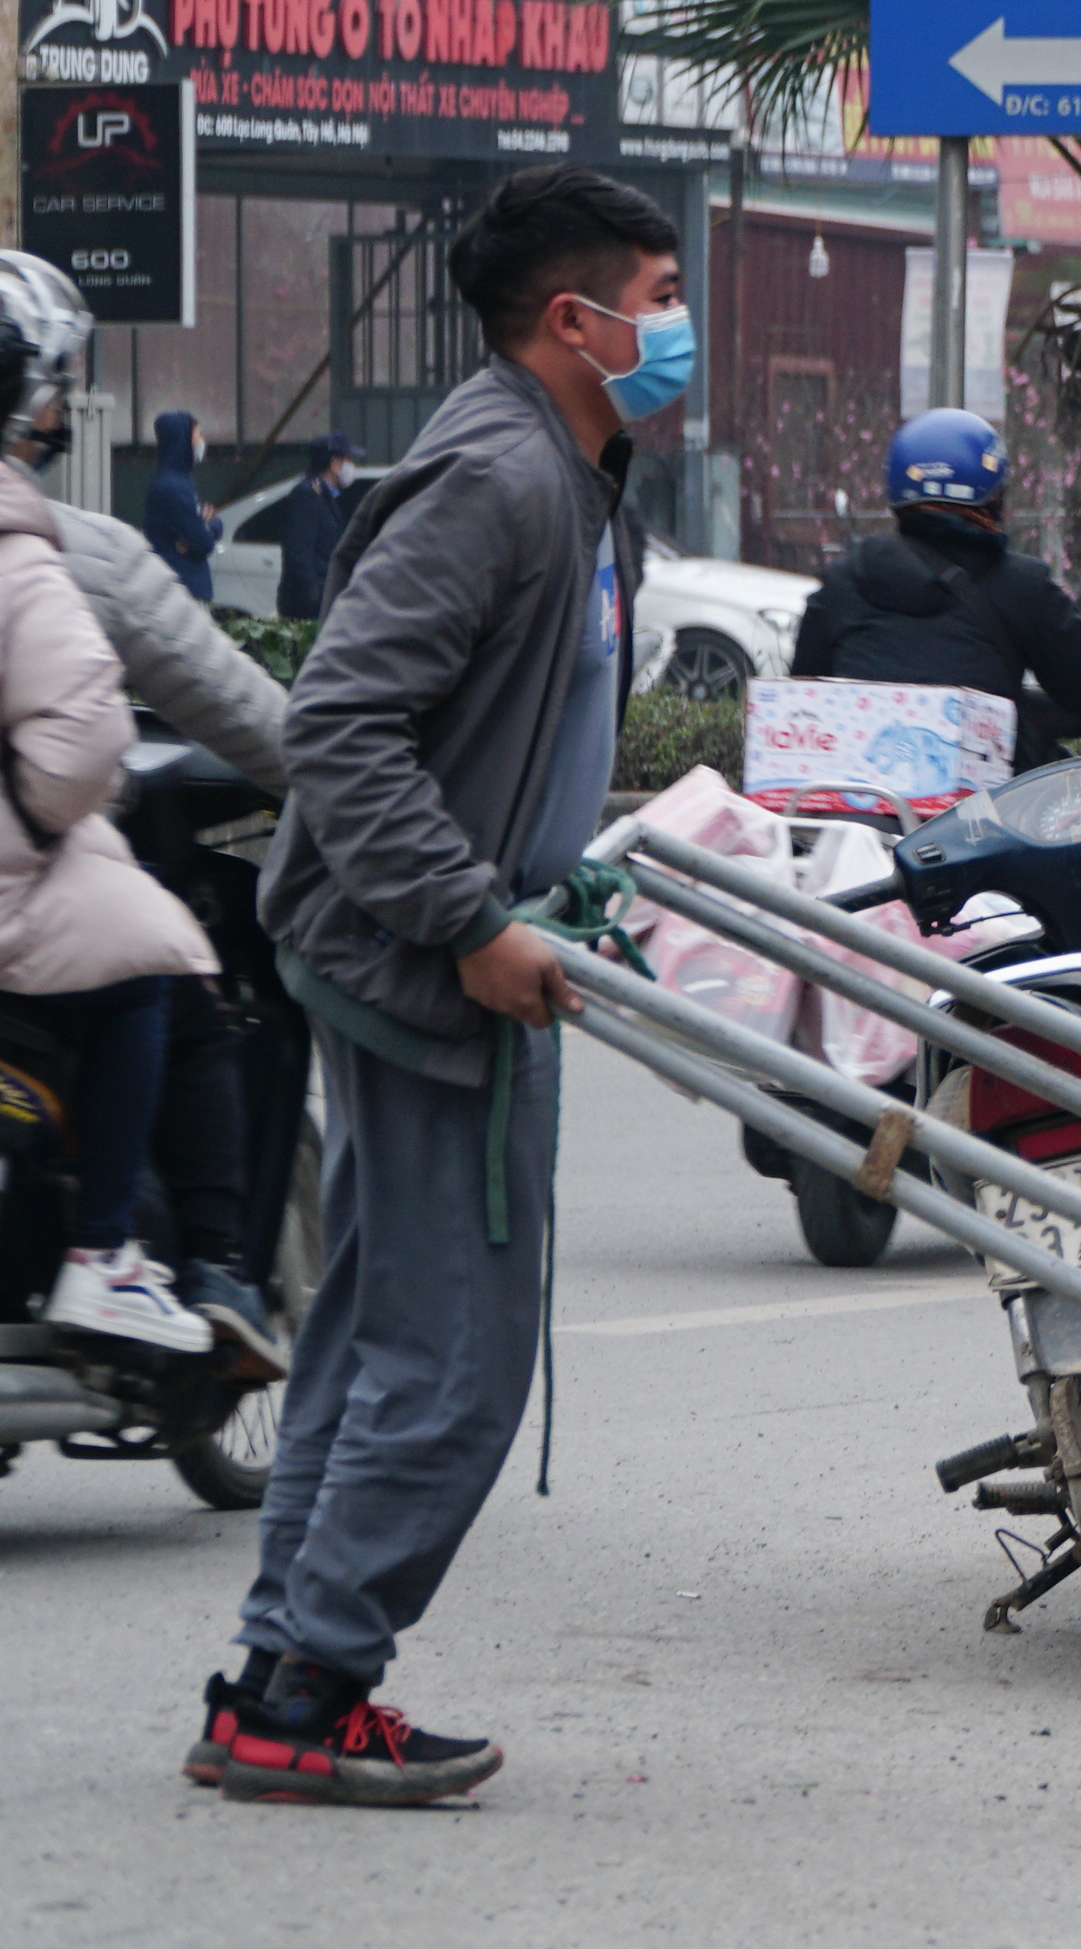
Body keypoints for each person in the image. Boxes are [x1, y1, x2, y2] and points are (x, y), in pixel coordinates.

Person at [197, 162, 682, 1809]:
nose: (677, 329)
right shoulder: (498, 476)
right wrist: (473, 918)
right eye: (661, 301)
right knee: (459, 1363)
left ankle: (277, 1679)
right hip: (425, 964)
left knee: (369, 1342)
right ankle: (309, 1689)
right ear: (577, 320)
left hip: (452, 946)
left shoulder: (573, 471)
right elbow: (339, 727)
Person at [0, 267, 223, 1358]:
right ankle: (102, 1254)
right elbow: (79, 759)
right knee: (154, 964)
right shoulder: (18, 557)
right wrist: (34, 815)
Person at [0, 255, 299, 1376]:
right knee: (165, 968)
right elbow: (228, 723)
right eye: (55, 394)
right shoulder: (61, 557)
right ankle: (180, 1263)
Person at [789, 408, 1081, 773]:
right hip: (976, 814)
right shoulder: (1021, 586)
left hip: (851, 804)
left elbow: (805, 694)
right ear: (994, 496)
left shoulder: (843, 582)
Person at [265, 431, 361, 621]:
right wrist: (314, 597)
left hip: (322, 599)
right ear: (335, 464)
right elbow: (300, 555)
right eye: (349, 460)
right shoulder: (307, 495)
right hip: (309, 606)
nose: (352, 467)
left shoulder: (324, 496)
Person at [143, 406, 220, 601]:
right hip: (181, 591)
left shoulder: (180, 482)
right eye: (198, 435)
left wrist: (206, 527)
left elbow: (207, 528)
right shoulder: (172, 487)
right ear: (183, 440)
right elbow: (203, 542)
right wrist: (206, 528)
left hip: (183, 588)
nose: (201, 441)